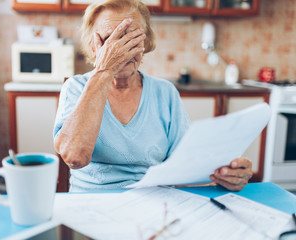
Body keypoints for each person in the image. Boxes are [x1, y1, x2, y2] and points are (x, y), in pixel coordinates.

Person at [53, 0, 252, 192]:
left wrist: (225, 173)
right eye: (110, 40)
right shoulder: (76, 88)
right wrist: (105, 70)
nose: (121, 50)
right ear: (93, 46)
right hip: (92, 206)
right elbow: (74, 157)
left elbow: (185, 164)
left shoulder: (165, 93)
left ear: (146, 42)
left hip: (153, 203)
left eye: (131, 39)